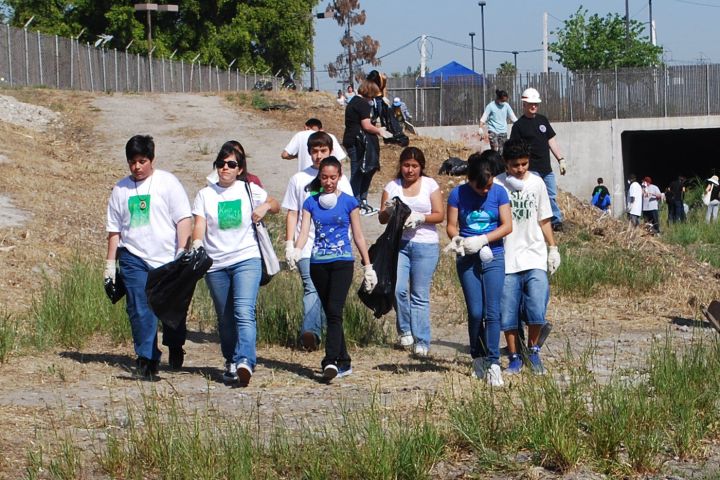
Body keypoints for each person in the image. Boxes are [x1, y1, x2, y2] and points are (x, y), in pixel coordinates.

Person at [191, 143, 280, 386]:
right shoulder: (205, 195)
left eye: (231, 164)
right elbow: (199, 222)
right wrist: (197, 242)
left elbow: (275, 204)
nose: (225, 168)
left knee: (244, 312)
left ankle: (245, 361)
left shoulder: (249, 189)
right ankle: (230, 360)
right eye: (221, 164)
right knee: (225, 317)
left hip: (246, 258)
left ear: (240, 169)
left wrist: (264, 207)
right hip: (216, 264)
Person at [105, 134, 192, 378]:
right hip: (133, 256)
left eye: (142, 161)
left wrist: (181, 253)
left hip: (167, 257)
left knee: (171, 310)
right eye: (132, 162)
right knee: (139, 307)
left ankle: (175, 344)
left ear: (151, 159)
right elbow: (114, 230)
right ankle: (147, 360)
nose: (137, 167)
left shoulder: (168, 183)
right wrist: (110, 265)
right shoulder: (121, 189)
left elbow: (183, 219)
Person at [292, 157, 377, 382]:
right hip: (318, 263)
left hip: (342, 262)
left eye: (333, 177)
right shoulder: (311, 202)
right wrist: (295, 250)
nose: (328, 182)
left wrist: (368, 265)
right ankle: (345, 360)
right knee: (331, 312)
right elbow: (303, 232)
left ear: (339, 177)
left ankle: (329, 361)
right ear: (319, 177)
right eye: (324, 177)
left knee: (334, 309)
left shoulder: (349, 202)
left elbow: (358, 235)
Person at [445, 150, 512, 386]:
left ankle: (494, 362)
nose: (485, 191)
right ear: (469, 180)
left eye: (488, 185)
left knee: (493, 311)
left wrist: (483, 239)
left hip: (493, 255)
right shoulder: (457, 194)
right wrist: (460, 241)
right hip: (467, 257)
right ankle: (478, 356)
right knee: (476, 312)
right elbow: (451, 226)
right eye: (479, 187)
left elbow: (507, 226)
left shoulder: (499, 193)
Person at [282, 131, 353, 351]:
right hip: (307, 245)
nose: (318, 155)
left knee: (328, 295)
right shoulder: (299, 179)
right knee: (311, 288)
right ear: (309, 153)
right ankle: (310, 331)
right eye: (314, 151)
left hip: (335, 248)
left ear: (330, 152)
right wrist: (290, 243)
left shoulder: (341, 179)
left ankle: (325, 334)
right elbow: (293, 213)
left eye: (323, 150)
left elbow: (350, 210)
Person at [495, 138, 560, 376]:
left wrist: (552, 248)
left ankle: (533, 351)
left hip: (534, 255)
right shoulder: (497, 186)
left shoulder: (537, 183)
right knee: (508, 313)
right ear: (505, 164)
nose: (520, 169)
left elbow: (544, 218)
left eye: (524, 164)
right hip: (507, 258)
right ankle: (514, 357)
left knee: (536, 307)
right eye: (515, 165)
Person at [378, 147, 444, 357]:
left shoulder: (430, 185)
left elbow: (439, 215)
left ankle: (422, 340)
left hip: (426, 245)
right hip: (399, 245)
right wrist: (388, 211)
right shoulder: (392, 186)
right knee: (397, 289)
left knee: (419, 294)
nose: (410, 170)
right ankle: (405, 329)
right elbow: (382, 218)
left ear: (421, 167)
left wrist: (421, 217)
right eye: (406, 165)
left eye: (414, 166)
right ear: (401, 166)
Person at [509, 87, 567, 232]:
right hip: (531, 169)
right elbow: (514, 149)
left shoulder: (543, 120)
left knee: (551, 195)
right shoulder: (518, 126)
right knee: (535, 195)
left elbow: (551, 141)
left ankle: (555, 221)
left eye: (536, 103)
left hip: (546, 168)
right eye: (531, 104)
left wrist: (561, 159)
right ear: (524, 104)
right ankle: (542, 221)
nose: (534, 106)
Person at [343, 79, 392, 216]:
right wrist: (380, 131)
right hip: (357, 142)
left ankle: (361, 200)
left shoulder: (354, 102)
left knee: (364, 170)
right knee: (358, 172)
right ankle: (355, 202)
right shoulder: (362, 104)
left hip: (351, 139)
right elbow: (366, 125)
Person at [281, 118, 346, 172]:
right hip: (326, 176)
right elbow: (340, 160)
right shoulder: (330, 136)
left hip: (305, 176)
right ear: (321, 129)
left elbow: (284, 155)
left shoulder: (300, 135)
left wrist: (297, 156)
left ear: (306, 127)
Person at [480, 89, 517, 155]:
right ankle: (494, 163)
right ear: (498, 98)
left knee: (502, 151)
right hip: (493, 131)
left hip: (503, 131)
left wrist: (519, 124)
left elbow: (513, 117)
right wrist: (480, 129)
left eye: (505, 101)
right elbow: (483, 118)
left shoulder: (506, 106)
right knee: (495, 149)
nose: (503, 102)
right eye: (502, 100)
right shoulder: (490, 106)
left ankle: (501, 164)